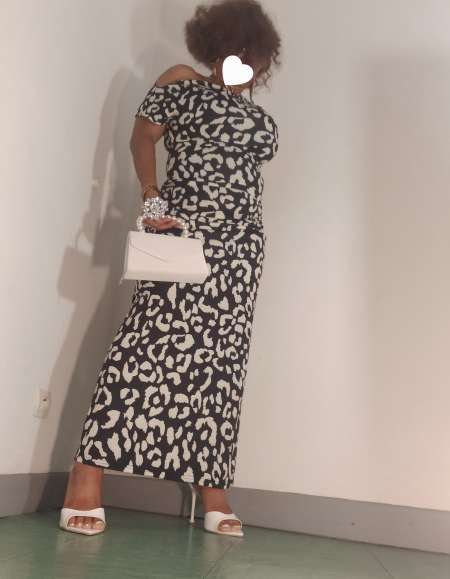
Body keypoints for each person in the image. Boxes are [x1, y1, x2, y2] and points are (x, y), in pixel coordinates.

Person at [60, 0, 280, 537]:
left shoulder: (260, 121)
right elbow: (142, 137)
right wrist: (152, 196)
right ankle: (86, 473)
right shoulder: (181, 83)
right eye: (238, 51)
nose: (247, 62)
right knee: (141, 349)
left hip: (240, 251)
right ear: (218, 47)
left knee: (221, 367)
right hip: (182, 235)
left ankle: (213, 488)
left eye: (255, 56)